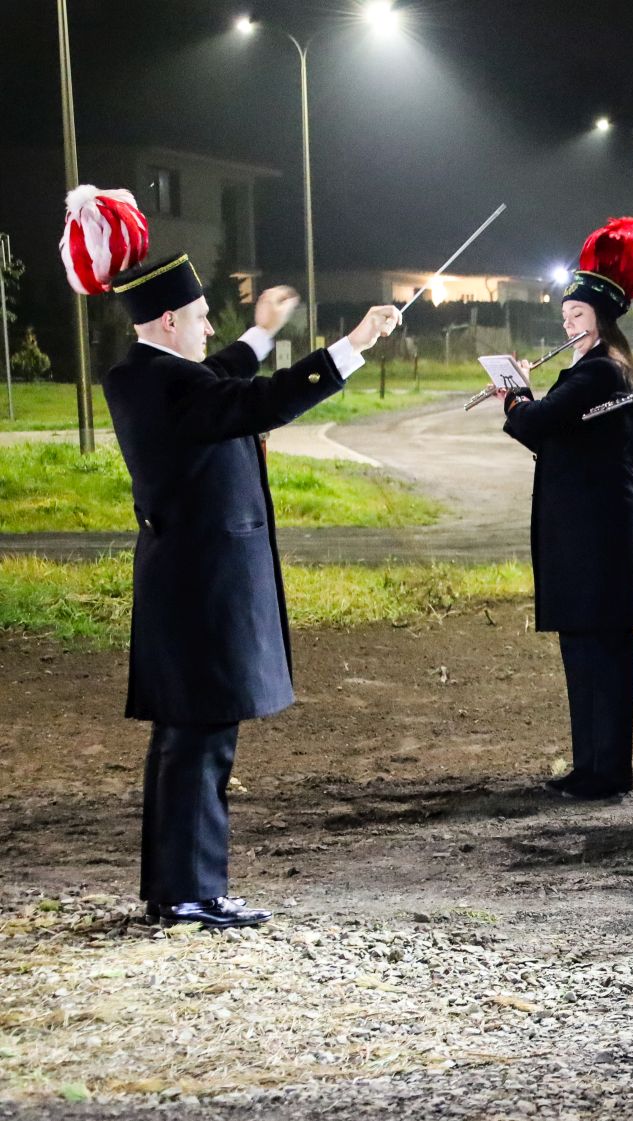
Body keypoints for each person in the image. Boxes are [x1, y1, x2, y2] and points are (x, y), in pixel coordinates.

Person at [61, 185, 399, 928]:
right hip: (201, 591)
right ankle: (189, 891)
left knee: (189, 742)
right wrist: (354, 345)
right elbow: (253, 400)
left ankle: (180, 886)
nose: (210, 325)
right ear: (173, 318)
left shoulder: (149, 376)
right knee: (200, 745)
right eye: (205, 316)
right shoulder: (167, 388)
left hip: (188, 585)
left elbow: (219, 375)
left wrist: (261, 330)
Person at [495, 217, 633, 800]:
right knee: (582, 649)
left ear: (603, 320)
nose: (569, 324)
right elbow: (551, 436)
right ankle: (591, 763)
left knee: (603, 651)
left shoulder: (600, 371)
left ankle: (608, 769)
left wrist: (515, 392)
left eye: (579, 316)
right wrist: (522, 403)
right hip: (586, 530)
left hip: (602, 533)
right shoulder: (589, 371)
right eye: (565, 316)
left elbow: (536, 421)